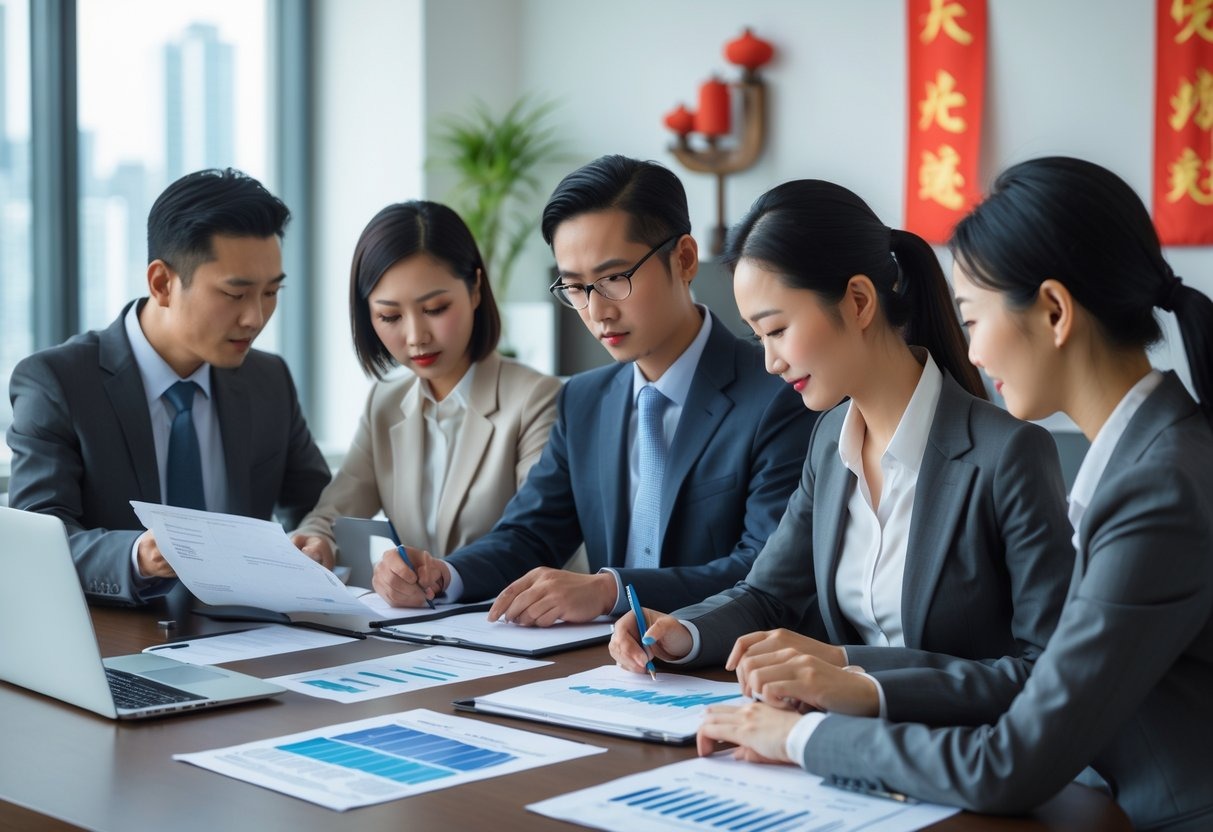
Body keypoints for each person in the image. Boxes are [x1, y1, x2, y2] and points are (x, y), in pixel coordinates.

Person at [695, 158, 1213, 832]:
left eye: (971, 320)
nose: (971, 354)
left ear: (1053, 312)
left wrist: (796, 739)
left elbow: (1007, 761)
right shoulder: (1151, 457)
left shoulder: (1155, 489)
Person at [611, 178, 1074, 731]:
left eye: (777, 330)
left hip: (965, 759)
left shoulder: (1009, 455)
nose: (770, 363)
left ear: (858, 301)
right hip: (838, 748)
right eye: (758, 338)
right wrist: (679, 633)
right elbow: (766, 596)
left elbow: (1043, 672)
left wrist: (851, 672)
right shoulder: (831, 440)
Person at [373, 155, 816, 624]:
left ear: (684, 259)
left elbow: (762, 568)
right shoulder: (584, 399)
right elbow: (531, 536)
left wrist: (612, 591)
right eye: (576, 287)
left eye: (613, 279)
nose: (596, 310)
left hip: (723, 669)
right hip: (598, 670)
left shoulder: (778, 393)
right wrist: (444, 573)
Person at [6, 168, 330, 607]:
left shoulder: (268, 379)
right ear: (162, 283)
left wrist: (314, 537)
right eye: (235, 295)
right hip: (111, 645)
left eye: (271, 292)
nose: (255, 317)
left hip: (248, 641)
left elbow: (315, 505)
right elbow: (39, 536)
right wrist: (138, 555)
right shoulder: (58, 382)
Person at [291, 201, 561, 573]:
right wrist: (317, 540)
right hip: (417, 626)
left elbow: (534, 538)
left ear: (476, 289)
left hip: (511, 620)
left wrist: (443, 578)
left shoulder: (536, 400)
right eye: (390, 316)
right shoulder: (385, 403)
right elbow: (333, 514)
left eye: (435, 308)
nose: (416, 337)